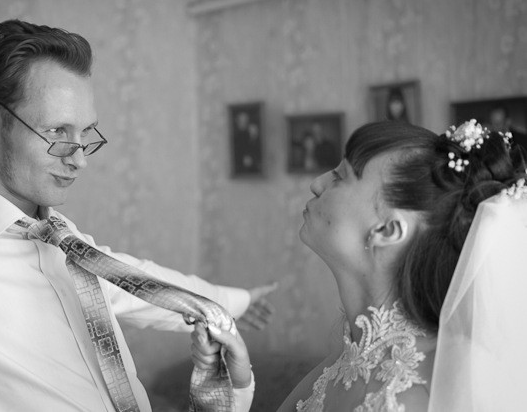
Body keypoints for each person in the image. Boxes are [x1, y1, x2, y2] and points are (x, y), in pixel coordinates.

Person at [0, 19, 277, 411]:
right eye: (57, 131)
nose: (79, 159)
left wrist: (229, 302)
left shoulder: (64, 239)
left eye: (85, 134)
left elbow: (134, 281)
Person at [191, 119, 527, 411]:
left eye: (340, 176)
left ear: (387, 230)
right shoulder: (345, 362)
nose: (316, 183)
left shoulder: (431, 388)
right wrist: (227, 390)